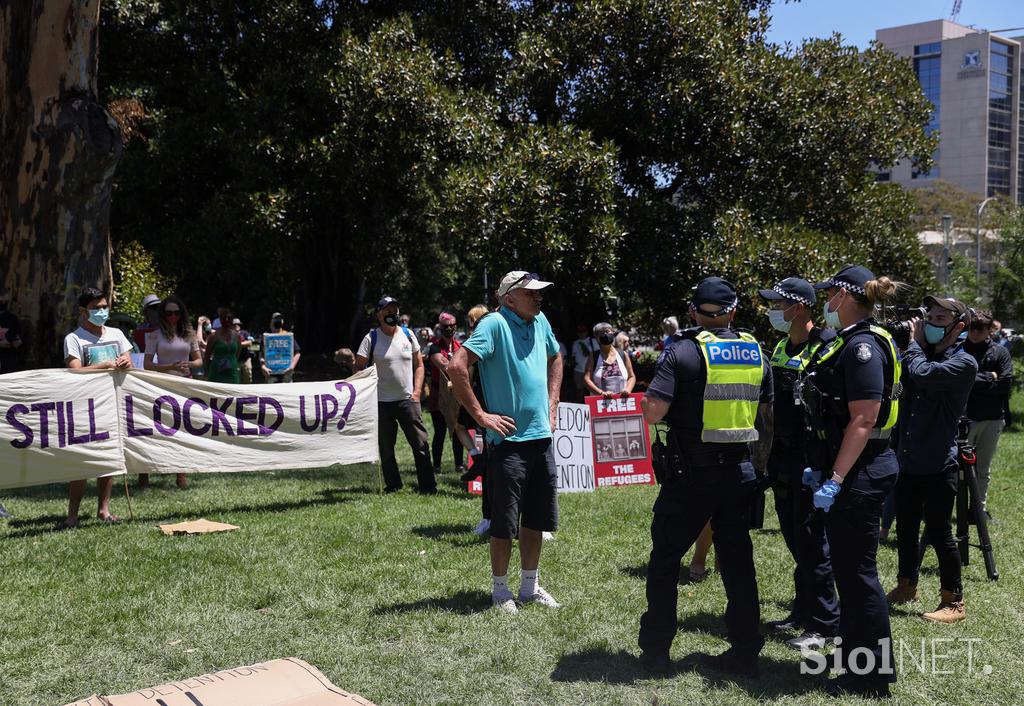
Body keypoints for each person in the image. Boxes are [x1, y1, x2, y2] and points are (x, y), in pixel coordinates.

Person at [638, 277, 773, 677]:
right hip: (740, 473)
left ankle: (657, 654)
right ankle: (746, 652)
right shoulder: (756, 352)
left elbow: (653, 412)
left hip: (691, 475)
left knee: (665, 560)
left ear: (694, 311)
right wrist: (759, 470)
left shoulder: (681, 351)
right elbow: (767, 421)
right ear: (734, 312)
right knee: (737, 563)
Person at [800, 265, 902, 697]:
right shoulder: (854, 340)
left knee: (858, 574)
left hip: (860, 471)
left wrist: (836, 478)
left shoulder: (862, 346)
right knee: (849, 570)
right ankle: (857, 659)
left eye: (829, 294)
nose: (825, 302)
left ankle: (871, 676)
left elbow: (864, 418)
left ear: (844, 296)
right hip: (853, 468)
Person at [448, 272, 563, 613]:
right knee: (503, 522)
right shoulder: (493, 324)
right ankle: (500, 592)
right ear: (510, 298)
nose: (538, 298)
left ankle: (530, 587)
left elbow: (556, 357)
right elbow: (457, 367)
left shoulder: (540, 321)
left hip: (540, 438)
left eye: (539, 293)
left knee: (536, 519)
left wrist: (553, 402)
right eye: (531, 293)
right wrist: (482, 417)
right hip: (508, 442)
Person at [757, 277, 839, 651]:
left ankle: (825, 624)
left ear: (800, 307)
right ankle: (802, 611)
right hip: (782, 459)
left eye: (779, 303)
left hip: (811, 462)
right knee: (795, 538)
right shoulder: (779, 346)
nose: (774, 310)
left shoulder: (825, 347)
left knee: (812, 543)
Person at [885, 296, 976, 624]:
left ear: (957, 326)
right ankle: (906, 585)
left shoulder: (964, 363)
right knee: (906, 527)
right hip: (908, 460)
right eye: (928, 316)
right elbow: (900, 383)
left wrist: (912, 343)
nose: (929, 323)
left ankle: (954, 602)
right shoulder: (917, 355)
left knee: (939, 532)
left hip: (939, 463)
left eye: (939, 318)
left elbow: (923, 374)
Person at [59, 287, 133, 530]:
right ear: (83, 311)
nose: (102, 311)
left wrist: (123, 362)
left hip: (112, 404)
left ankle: (104, 510)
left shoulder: (117, 334)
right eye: (96, 308)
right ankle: (72, 516)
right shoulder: (74, 338)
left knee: (108, 458)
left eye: (104, 307)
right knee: (82, 461)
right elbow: (74, 371)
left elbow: (129, 362)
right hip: (84, 407)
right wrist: (105, 365)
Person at [355, 297, 436, 494]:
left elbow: (419, 365)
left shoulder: (408, 334)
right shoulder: (371, 338)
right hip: (381, 402)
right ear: (379, 314)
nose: (392, 314)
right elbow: (359, 368)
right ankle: (393, 485)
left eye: (395, 310)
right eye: (387, 310)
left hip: (408, 401)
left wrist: (417, 392)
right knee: (386, 448)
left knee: (420, 444)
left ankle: (427, 486)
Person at [142, 294, 203, 489]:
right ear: (163, 314)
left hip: (184, 385)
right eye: (168, 313)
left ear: (182, 314)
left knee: (183, 429)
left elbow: (199, 360)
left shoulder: (189, 334)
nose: (173, 317)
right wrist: (168, 366)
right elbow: (147, 364)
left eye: (177, 313)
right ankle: (144, 474)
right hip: (161, 386)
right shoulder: (154, 335)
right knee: (154, 429)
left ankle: (181, 474)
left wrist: (189, 364)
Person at [963, 310, 1013, 520]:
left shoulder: (1000, 353)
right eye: (972, 328)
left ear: (990, 330)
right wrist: (990, 377)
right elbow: (958, 381)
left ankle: (977, 510)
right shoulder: (960, 349)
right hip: (965, 417)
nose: (974, 332)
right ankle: (950, 510)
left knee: (983, 469)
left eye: (980, 329)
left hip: (992, 417)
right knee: (957, 471)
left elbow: (1005, 383)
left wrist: (974, 381)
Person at [428, 312, 466, 475]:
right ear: (440, 328)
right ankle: (436, 465)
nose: (449, 329)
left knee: (458, 429)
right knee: (440, 431)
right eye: (445, 326)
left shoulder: (460, 347)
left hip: (456, 395)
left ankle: (459, 464)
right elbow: (444, 365)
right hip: (438, 395)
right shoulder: (434, 348)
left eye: (452, 326)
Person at [582, 322, 636, 398]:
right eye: (602, 333)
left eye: (607, 331)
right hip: (600, 404)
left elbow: (631, 377)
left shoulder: (623, 354)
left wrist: (628, 390)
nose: (605, 335)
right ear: (597, 337)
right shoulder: (593, 356)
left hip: (622, 403)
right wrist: (601, 393)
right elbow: (586, 379)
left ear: (613, 333)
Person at [260, 312, 301, 383]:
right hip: (270, 373)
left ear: (283, 321)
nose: (278, 321)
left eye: (280, 319)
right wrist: (263, 366)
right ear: (271, 321)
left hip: (286, 373)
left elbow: (297, 353)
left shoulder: (287, 336)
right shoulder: (266, 337)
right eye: (276, 319)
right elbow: (261, 353)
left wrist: (292, 366)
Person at [204, 311, 241, 383]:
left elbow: (237, 355)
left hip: (232, 373)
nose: (226, 320)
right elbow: (207, 356)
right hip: (216, 372)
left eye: (229, 318)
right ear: (220, 320)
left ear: (232, 320)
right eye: (224, 318)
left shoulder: (237, 337)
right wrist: (208, 371)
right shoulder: (213, 336)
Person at [570, 323, 598, 401]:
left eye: (583, 331)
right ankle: (580, 405)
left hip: (591, 370)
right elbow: (573, 357)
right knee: (579, 390)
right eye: (579, 331)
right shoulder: (575, 343)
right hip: (578, 370)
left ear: (587, 332)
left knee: (592, 389)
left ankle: (592, 405)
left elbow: (596, 355)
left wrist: (584, 347)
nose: (581, 333)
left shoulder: (593, 341)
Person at [0, 288, 24, 374]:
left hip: (7, 361)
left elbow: (18, 341)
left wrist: (12, 344)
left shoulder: (12, 319)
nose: (2, 300)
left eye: (4, 298)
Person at [233, 318, 256, 384]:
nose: (236, 325)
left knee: (248, 377)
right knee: (237, 380)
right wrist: (243, 344)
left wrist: (238, 344)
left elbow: (250, 342)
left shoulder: (244, 333)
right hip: (236, 360)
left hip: (246, 359)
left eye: (238, 324)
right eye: (234, 324)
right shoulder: (230, 335)